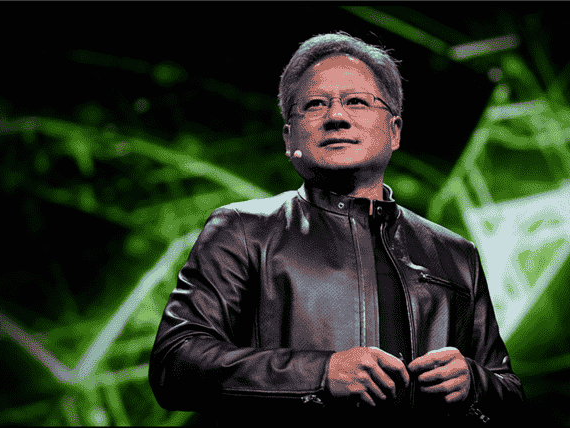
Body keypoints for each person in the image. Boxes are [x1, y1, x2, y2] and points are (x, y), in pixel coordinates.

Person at [149, 32, 525, 425]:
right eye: (315, 104)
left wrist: (475, 382)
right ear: (289, 137)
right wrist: (320, 374)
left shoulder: (456, 254)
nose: (336, 117)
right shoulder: (242, 231)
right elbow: (175, 363)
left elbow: (510, 393)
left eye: (357, 101)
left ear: (394, 131)